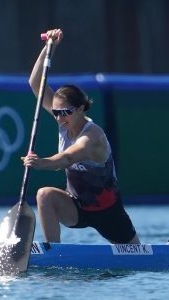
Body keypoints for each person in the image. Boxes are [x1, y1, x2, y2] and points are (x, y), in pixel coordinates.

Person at [22, 28, 140, 244]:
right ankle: (54, 253)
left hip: (109, 212)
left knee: (139, 259)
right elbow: (35, 83)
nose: (59, 117)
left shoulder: (92, 136)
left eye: (65, 112)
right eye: (56, 112)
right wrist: (50, 47)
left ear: (80, 110)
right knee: (44, 195)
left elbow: (67, 159)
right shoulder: (64, 120)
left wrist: (40, 162)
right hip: (76, 206)